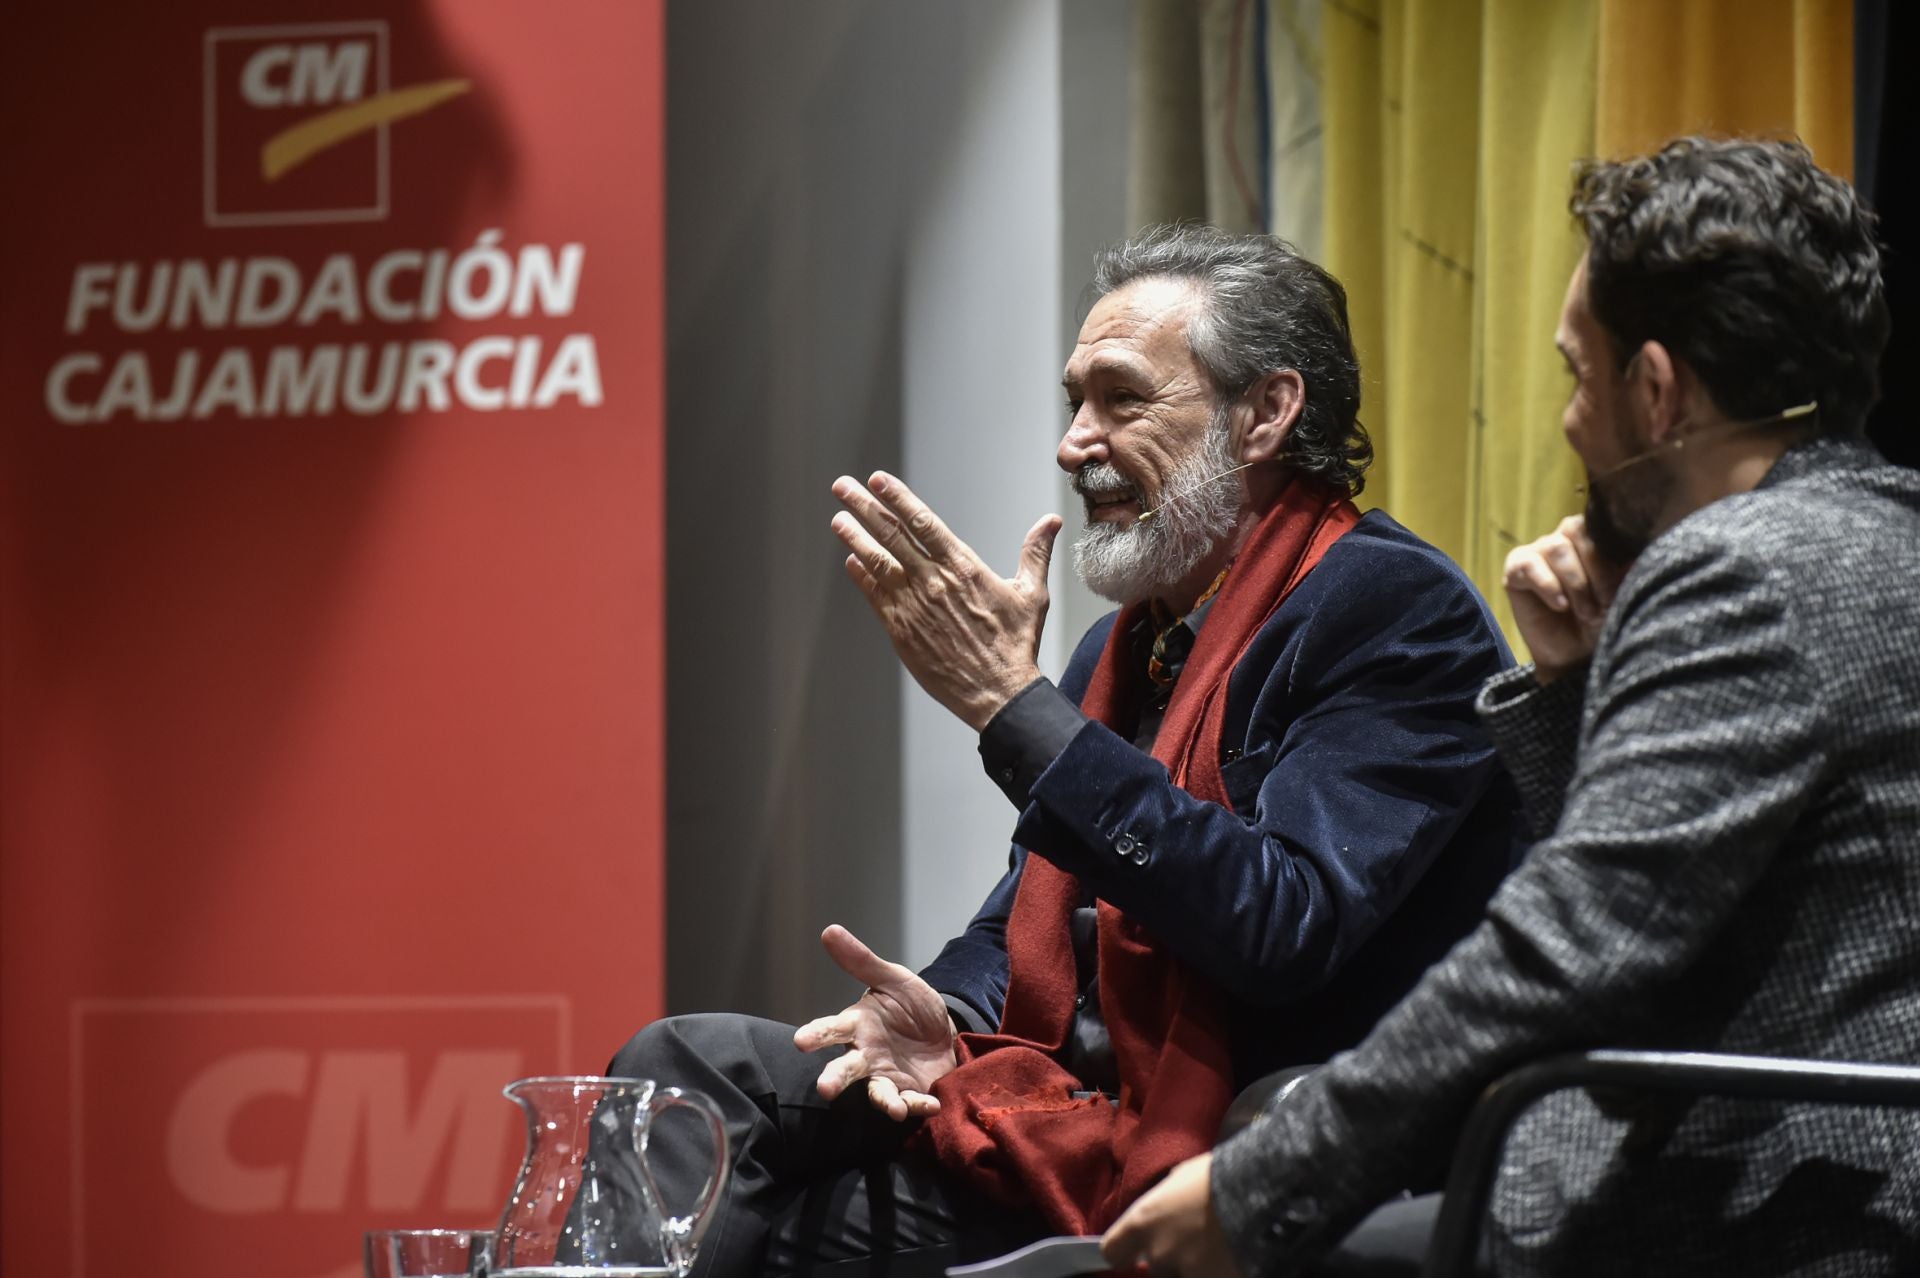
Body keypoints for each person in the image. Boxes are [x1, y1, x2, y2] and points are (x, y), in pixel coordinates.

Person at [610, 225, 1523, 1277]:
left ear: (1267, 413)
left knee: (777, 1235)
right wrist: (940, 1013)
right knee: (684, 1074)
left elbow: (1283, 926)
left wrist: (1017, 709)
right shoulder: (1126, 641)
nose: (1074, 442)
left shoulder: (1393, 609)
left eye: (1122, 399)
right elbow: (1033, 923)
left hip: (1231, 1143)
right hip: (1059, 1101)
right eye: (1074, 401)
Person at [1103, 137, 1920, 1277]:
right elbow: (1695, 879)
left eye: (1580, 379)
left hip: (1782, 1194)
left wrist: (1260, 1188)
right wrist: (1574, 688)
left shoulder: (1744, 571)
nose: (1573, 424)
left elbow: (1569, 947)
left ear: (1654, 389)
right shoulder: (1880, 532)